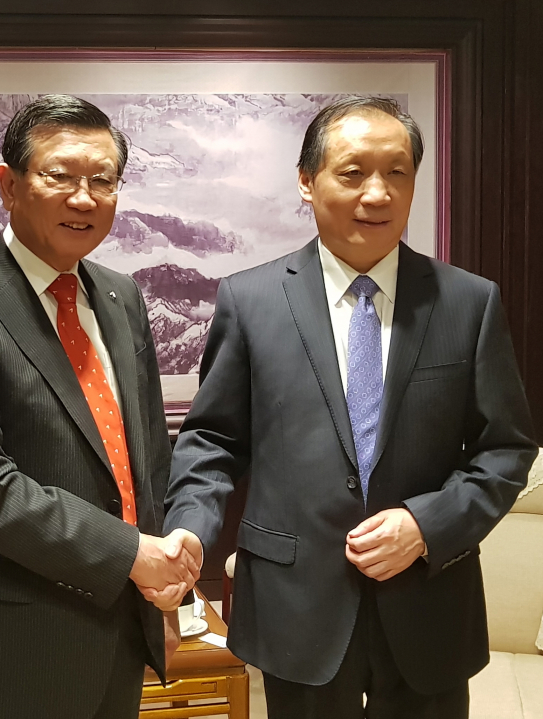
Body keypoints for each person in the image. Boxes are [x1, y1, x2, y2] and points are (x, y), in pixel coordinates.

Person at [161, 96, 537, 718]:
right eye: (353, 172)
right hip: (295, 603)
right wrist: (189, 531)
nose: (378, 193)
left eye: (397, 173)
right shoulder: (250, 300)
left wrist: (426, 525)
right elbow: (214, 440)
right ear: (307, 182)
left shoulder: (469, 303)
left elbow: (506, 448)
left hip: (428, 603)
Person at [0, 94, 200, 719]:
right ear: (8, 185)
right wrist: (132, 555)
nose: (84, 198)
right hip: (12, 651)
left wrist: (165, 594)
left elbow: (146, 455)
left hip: (122, 631)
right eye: (60, 176)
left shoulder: (120, 297)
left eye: (103, 181)